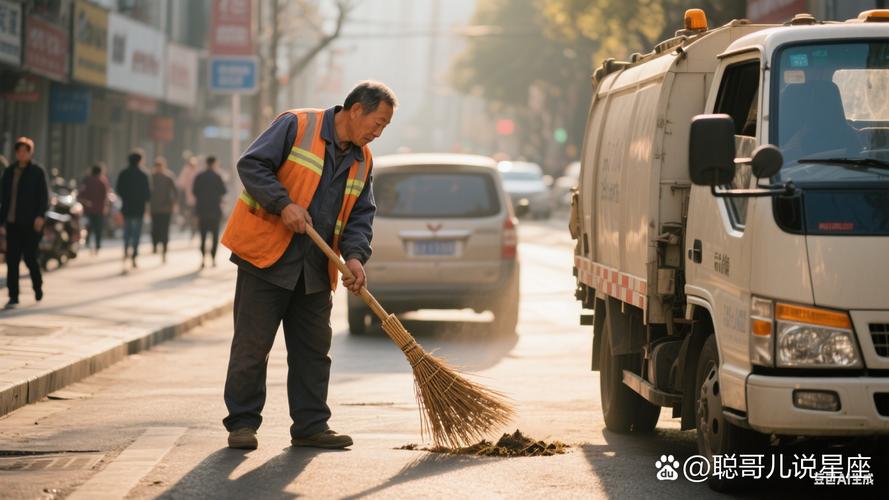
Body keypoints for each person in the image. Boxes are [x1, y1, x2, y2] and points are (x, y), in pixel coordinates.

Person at [220, 81, 396, 450]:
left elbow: (361, 215)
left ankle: (311, 425)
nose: (377, 133)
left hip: (316, 267)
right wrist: (282, 204)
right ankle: (242, 423)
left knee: (313, 351)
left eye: (384, 128)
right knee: (252, 347)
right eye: (377, 123)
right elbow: (251, 165)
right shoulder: (297, 125)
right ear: (356, 110)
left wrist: (354, 257)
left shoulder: (363, 160)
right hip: (267, 258)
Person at [0, 137, 49, 309]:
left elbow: (43, 196)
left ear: (30, 152)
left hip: (30, 223)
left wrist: (40, 216)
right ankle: (13, 295)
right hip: (12, 222)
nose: (21, 154)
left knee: (29, 257)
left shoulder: (37, 171)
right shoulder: (9, 171)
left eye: (25, 151)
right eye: (19, 151)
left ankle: (37, 286)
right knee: (12, 260)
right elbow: (3, 197)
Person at [116, 149, 151, 270]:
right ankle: (134, 255)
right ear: (140, 160)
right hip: (139, 208)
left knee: (127, 231)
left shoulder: (123, 173)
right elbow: (148, 194)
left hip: (127, 206)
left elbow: (118, 189)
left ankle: (126, 250)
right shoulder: (144, 175)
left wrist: (126, 197)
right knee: (136, 233)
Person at [192, 156, 227, 268]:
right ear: (214, 164)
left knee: (203, 236)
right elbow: (223, 191)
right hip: (215, 211)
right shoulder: (217, 177)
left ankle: (202, 259)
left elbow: (194, 191)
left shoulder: (199, 176)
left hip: (202, 211)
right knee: (215, 237)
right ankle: (213, 259)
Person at [149, 157, 177, 263]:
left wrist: (174, 203)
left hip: (164, 208)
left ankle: (164, 248)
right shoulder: (151, 176)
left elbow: (175, 191)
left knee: (164, 229)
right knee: (156, 228)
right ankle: (156, 245)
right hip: (157, 208)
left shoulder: (168, 177)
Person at [78, 163, 110, 255]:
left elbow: (81, 193)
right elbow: (105, 196)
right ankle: (97, 245)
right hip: (99, 209)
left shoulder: (87, 180)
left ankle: (87, 243)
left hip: (88, 208)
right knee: (98, 228)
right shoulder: (103, 181)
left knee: (89, 227)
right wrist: (106, 207)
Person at [176, 156, 198, 237]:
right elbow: (181, 184)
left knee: (190, 214)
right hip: (192, 198)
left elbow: (180, 184)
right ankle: (191, 228)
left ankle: (190, 227)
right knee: (192, 214)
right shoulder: (192, 171)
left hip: (190, 198)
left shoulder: (187, 171)